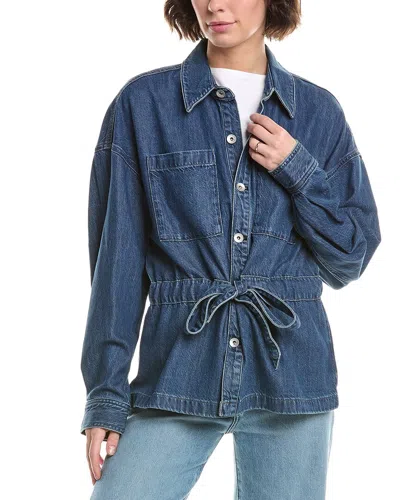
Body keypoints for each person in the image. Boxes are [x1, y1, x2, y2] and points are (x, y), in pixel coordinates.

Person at [80, 1, 381, 498]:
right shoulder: (143, 104)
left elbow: (349, 256)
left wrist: (298, 170)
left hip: (292, 380)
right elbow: (117, 264)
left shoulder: (317, 111)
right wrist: (106, 396)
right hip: (176, 371)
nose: (214, 4)